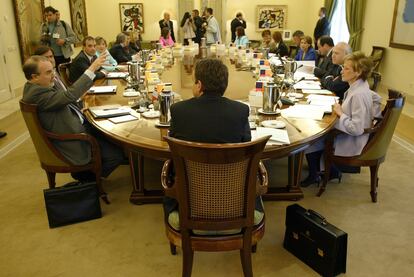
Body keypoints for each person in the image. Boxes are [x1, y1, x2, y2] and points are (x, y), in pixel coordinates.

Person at [166, 58, 263, 223]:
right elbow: (246, 146)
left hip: (190, 198)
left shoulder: (179, 110)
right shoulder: (240, 111)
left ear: (199, 85)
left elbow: (173, 148)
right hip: (235, 196)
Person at [22, 55, 125, 181]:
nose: (54, 75)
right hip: (73, 140)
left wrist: (81, 110)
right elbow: (69, 95)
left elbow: (64, 100)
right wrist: (91, 69)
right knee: (116, 155)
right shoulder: (36, 94)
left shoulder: (38, 86)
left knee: (115, 135)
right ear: (34, 77)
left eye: (53, 71)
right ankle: (89, 179)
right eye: (49, 72)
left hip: (77, 125)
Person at [301, 52, 382, 187]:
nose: (341, 71)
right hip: (349, 133)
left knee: (311, 139)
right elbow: (376, 99)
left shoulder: (358, 94)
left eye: (346, 68)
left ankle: (316, 174)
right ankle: (328, 171)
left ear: (358, 72)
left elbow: (356, 129)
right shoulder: (360, 86)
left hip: (352, 140)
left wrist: (340, 113)